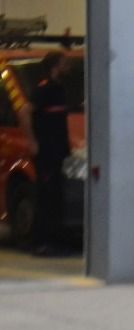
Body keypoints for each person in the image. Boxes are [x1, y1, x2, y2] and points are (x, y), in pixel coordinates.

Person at [28, 51, 72, 254]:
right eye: (64, 62)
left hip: (58, 151)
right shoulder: (43, 89)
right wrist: (32, 141)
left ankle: (55, 240)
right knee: (45, 196)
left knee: (56, 196)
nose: (67, 65)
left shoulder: (60, 88)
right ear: (56, 65)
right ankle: (40, 242)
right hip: (45, 151)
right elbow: (24, 111)